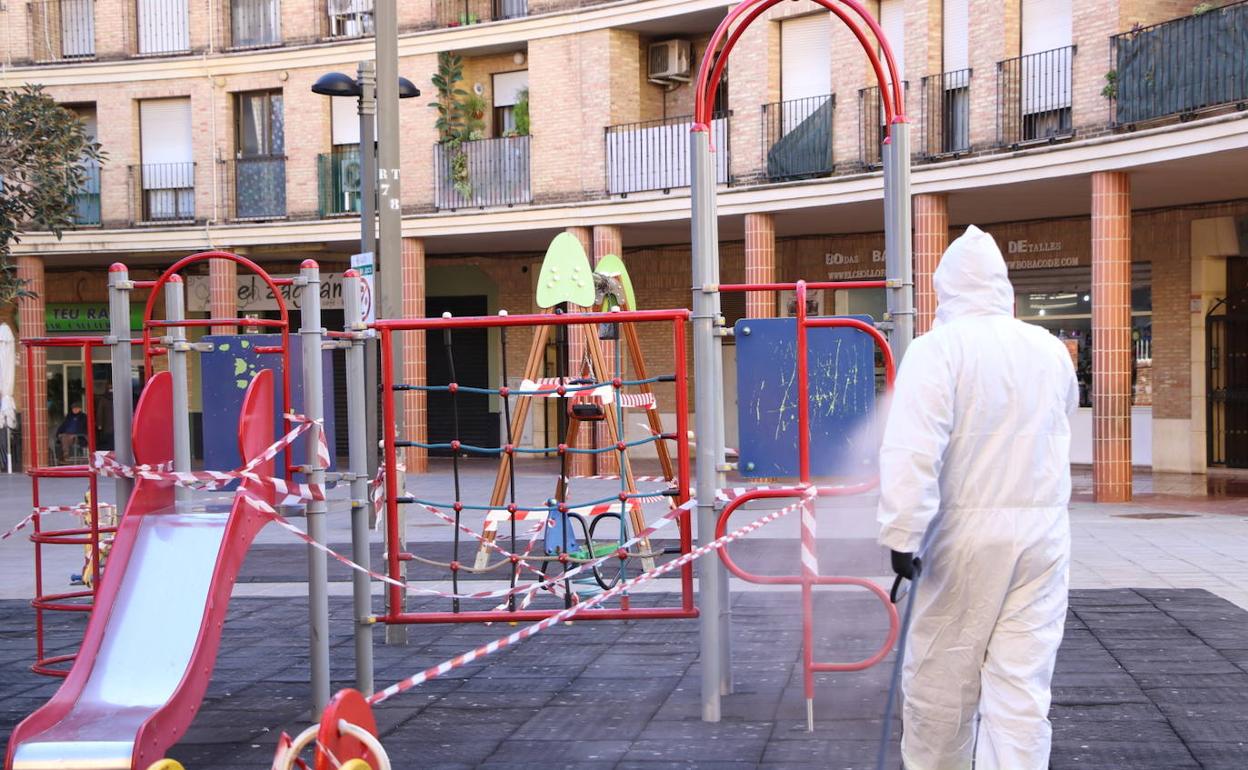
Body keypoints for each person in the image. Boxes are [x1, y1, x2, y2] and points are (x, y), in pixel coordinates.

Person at [877, 225, 1078, 770]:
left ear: (945, 291)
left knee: (942, 676)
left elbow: (911, 450)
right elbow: (1060, 423)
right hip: (1043, 537)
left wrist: (902, 534)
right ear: (1002, 288)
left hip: (962, 537)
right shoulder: (1049, 349)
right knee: (1022, 684)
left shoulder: (936, 350)